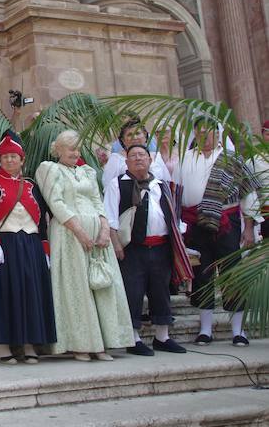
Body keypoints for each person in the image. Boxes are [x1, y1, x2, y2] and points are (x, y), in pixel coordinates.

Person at [36, 130, 134, 361]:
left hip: (97, 237)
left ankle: (104, 343)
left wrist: (103, 230)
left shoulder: (88, 171)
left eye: (77, 148)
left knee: (103, 286)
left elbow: (97, 201)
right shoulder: (50, 170)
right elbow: (56, 203)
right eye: (70, 149)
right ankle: (81, 344)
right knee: (77, 288)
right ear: (58, 149)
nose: (75, 153)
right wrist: (80, 231)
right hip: (70, 235)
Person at [173, 118, 262, 347]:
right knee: (202, 275)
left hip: (227, 222)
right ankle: (205, 330)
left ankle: (238, 331)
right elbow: (175, 193)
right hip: (195, 223)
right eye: (199, 132)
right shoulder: (185, 159)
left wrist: (249, 227)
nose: (205, 136)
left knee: (231, 275)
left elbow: (248, 194)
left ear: (218, 134)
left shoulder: (232, 160)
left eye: (209, 132)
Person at [0, 135, 56, 364]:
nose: (10, 160)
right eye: (5, 157)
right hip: (4, 244)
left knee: (31, 294)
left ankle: (30, 342)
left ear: (22, 160)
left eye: (14, 157)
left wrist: (45, 250)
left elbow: (42, 222)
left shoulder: (31, 185)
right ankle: (2, 344)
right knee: (4, 295)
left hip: (30, 246)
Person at [105, 144, 189, 356]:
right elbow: (110, 218)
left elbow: (173, 215)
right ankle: (133, 338)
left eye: (142, 155)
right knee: (133, 292)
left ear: (150, 160)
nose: (138, 159)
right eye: (133, 156)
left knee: (161, 291)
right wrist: (116, 245)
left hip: (161, 246)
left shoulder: (161, 185)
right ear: (126, 162)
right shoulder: (118, 185)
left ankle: (163, 336)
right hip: (133, 248)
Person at [102, 120, 170, 191]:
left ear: (145, 136)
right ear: (123, 140)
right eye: (129, 135)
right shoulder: (116, 159)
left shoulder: (156, 156)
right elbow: (107, 186)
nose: (134, 137)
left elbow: (166, 181)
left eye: (137, 133)